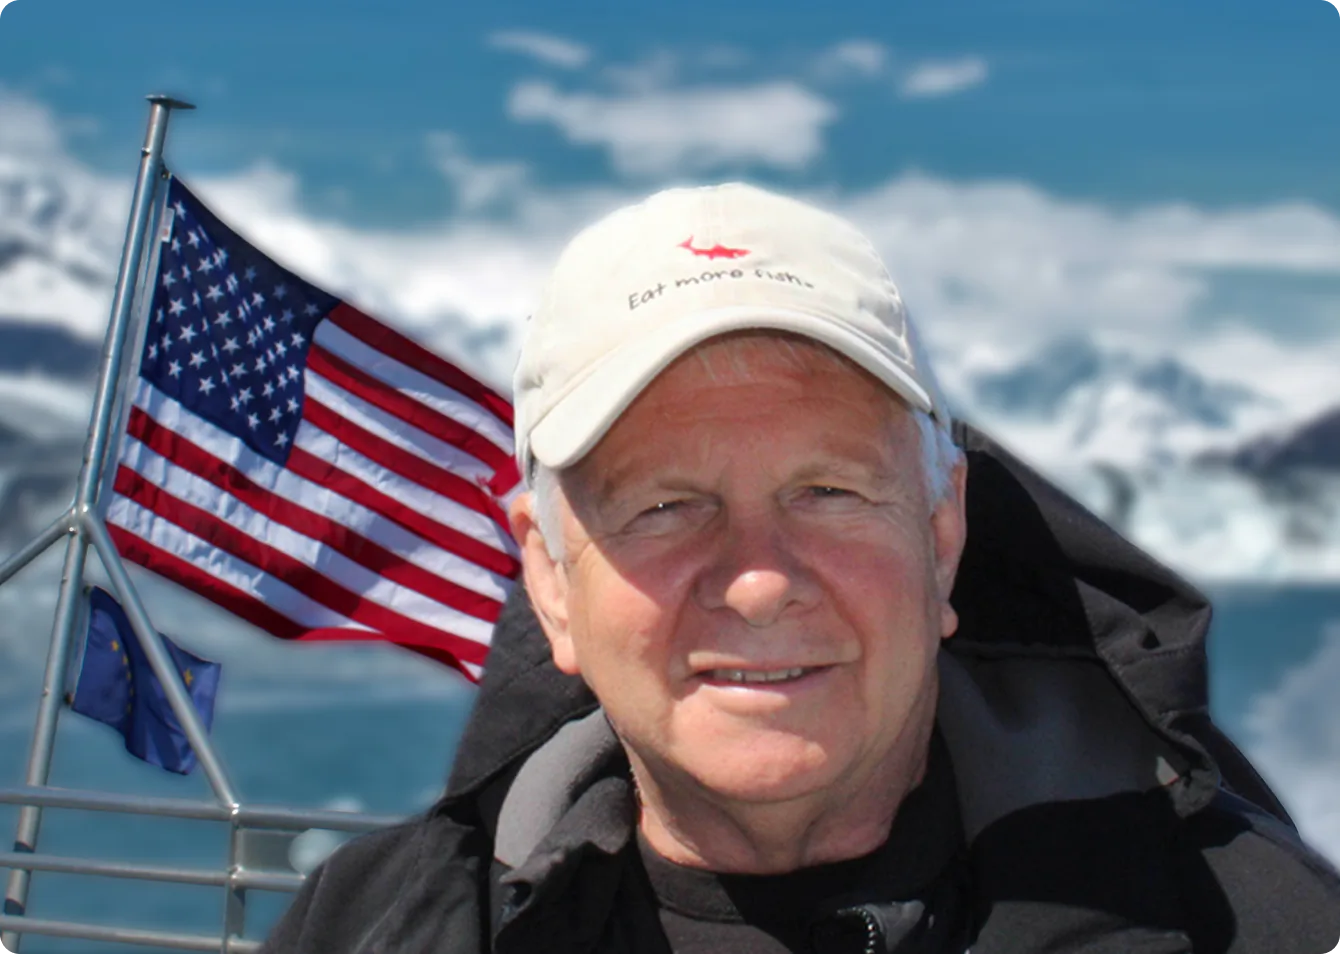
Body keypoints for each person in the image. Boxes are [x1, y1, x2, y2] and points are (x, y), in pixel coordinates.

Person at [260, 184, 1340, 953]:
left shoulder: (1253, 925)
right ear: (549, 582)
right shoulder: (372, 928)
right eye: (665, 505)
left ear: (940, 533)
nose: (758, 579)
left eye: (826, 493)